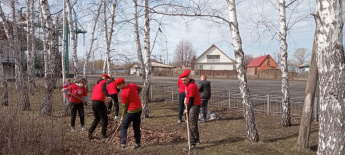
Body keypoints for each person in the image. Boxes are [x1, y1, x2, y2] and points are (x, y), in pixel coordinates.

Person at [115, 78, 143, 149]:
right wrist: (136, 94)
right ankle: (138, 144)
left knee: (124, 126)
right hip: (139, 109)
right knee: (136, 126)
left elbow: (125, 107)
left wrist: (122, 116)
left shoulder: (123, 93)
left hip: (131, 111)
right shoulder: (131, 85)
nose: (117, 87)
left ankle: (122, 145)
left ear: (122, 84)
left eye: (118, 86)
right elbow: (140, 88)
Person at [180, 70, 201, 151]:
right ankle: (197, 139)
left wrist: (187, 109)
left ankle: (192, 144)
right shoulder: (187, 85)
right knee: (193, 123)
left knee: (191, 123)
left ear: (188, 78)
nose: (183, 82)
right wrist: (186, 98)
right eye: (182, 81)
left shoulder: (191, 86)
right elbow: (188, 95)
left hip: (194, 105)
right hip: (192, 104)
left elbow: (191, 100)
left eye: (184, 80)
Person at [88, 74, 111, 139]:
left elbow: (98, 93)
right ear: (105, 78)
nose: (106, 81)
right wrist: (108, 95)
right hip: (99, 102)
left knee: (97, 118)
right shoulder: (103, 82)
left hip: (94, 102)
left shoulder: (96, 85)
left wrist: (103, 100)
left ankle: (90, 132)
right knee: (104, 119)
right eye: (107, 79)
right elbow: (104, 89)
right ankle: (103, 134)